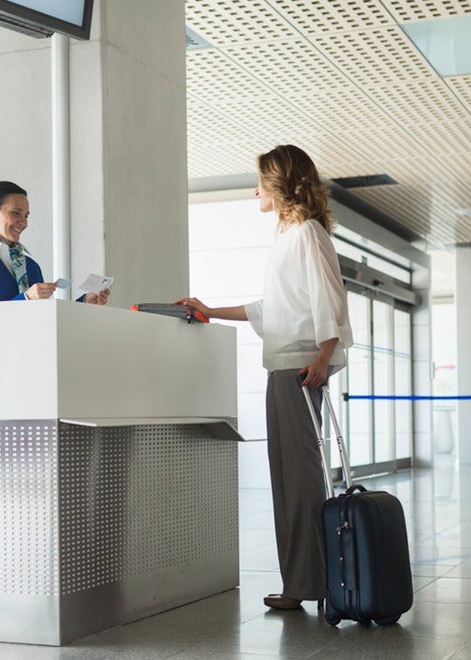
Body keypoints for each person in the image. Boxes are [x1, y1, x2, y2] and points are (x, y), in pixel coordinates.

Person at [176, 145, 353, 611]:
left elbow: (329, 301)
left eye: (260, 182)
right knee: (289, 477)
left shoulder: (307, 234)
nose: (255, 190)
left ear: (279, 184)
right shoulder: (292, 236)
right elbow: (271, 307)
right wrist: (212, 310)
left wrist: (323, 356)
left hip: (299, 369)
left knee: (299, 478)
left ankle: (307, 582)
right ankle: (304, 580)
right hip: (286, 366)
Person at [0, 180, 109, 403]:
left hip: (24, 376)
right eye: (16, 213)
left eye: (27, 215)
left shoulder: (30, 266)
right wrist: (26, 298)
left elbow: (44, 321)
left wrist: (85, 301)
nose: (23, 222)